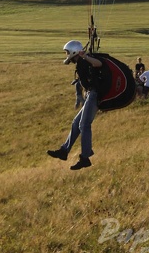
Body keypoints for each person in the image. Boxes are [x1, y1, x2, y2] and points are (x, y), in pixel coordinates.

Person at [47, 40, 111, 170]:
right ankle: (64, 151)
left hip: (95, 94)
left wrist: (85, 57)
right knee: (76, 122)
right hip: (90, 94)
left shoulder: (86, 60)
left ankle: (85, 157)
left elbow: (100, 64)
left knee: (84, 124)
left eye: (67, 52)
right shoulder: (81, 63)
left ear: (73, 51)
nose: (66, 55)